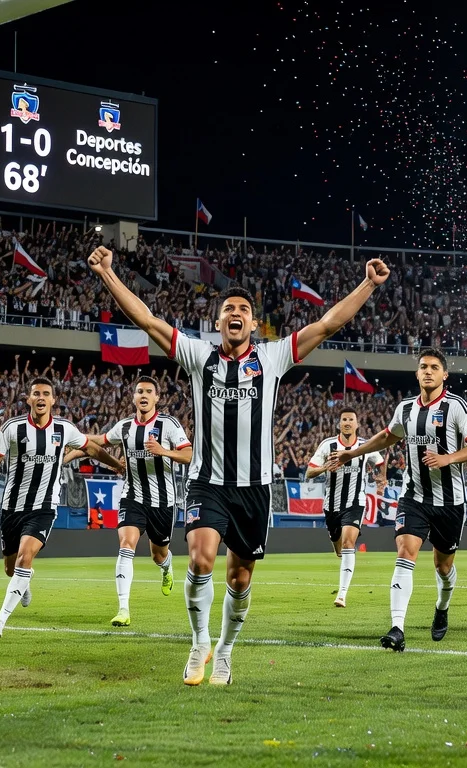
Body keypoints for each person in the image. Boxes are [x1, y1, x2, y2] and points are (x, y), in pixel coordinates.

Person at [89, 244, 389, 685]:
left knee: (241, 577)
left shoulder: (272, 357)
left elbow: (327, 324)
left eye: (243, 309)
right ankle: (199, 643)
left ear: (252, 322)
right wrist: (107, 274)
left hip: (254, 488)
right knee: (200, 560)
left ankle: (225, 651)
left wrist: (368, 283)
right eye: (228, 308)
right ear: (218, 322)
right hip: (206, 483)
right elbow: (148, 320)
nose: (236, 313)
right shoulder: (198, 356)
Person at [330, 349, 467, 651]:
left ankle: (441, 607)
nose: (428, 371)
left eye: (434, 367)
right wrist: (353, 452)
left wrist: (447, 458)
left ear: (444, 375)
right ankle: (397, 627)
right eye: (423, 367)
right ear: (417, 374)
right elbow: (388, 436)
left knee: (443, 567)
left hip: (449, 502)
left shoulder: (457, 407)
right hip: (413, 497)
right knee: (406, 550)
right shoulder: (405, 409)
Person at [0, 377, 123, 637]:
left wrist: (114, 464)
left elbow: (90, 449)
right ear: (28, 399)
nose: (40, 397)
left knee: (26, 556)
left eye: (45, 393)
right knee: (10, 568)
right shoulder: (12, 428)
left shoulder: (64, 429)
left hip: (44, 506)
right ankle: (23, 582)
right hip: (13, 507)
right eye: (35, 393)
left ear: (53, 400)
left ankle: (0, 619)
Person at [75, 376, 192, 627]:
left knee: (158, 554)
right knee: (126, 545)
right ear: (133, 397)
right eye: (139, 391)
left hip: (163, 502)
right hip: (133, 497)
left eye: (149, 391)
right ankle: (123, 609)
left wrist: (164, 451)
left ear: (157, 398)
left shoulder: (168, 424)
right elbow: (101, 440)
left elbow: (189, 453)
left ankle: (166, 567)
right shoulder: (125, 426)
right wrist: (75, 437)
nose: (144, 395)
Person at [306, 406, 386, 607]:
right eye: (344, 420)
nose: (348, 422)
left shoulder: (364, 445)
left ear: (357, 424)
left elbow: (380, 461)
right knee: (338, 544)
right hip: (331, 505)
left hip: (355, 502)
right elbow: (309, 472)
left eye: (351, 419)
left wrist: (381, 479)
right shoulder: (328, 445)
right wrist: (326, 467)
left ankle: (341, 594)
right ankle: (336, 543)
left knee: (349, 544)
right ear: (339, 424)